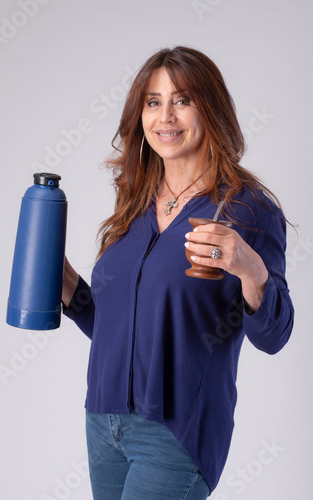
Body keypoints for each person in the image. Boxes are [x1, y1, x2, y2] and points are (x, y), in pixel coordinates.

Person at [62, 46, 294, 500]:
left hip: (175, 431)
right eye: (153, 101)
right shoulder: (135, 202)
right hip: (103, 423)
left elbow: (275, 336)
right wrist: (66, 283)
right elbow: (122, 327)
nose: (165, 115)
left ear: (211, 108)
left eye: (182, 99)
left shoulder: (247, 209)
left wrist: (250, 269)